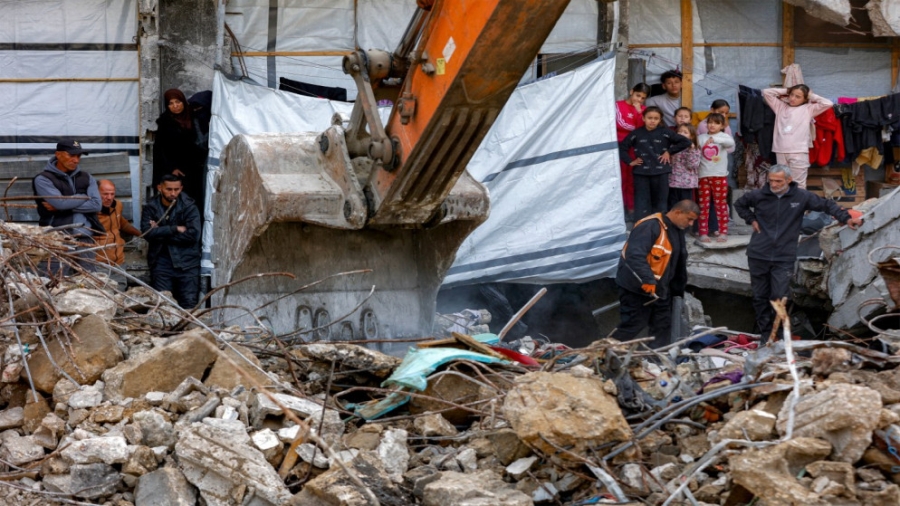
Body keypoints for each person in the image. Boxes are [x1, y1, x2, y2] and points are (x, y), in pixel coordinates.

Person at [734, 165, 862, 342]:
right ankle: (766, 336)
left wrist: (846, 218)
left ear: (789, 180)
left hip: (784, 256)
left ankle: (779, 335)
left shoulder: (801, 197)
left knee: (779, 297)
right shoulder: (758, 195)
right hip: (758, 254)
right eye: (771, 180)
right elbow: (739, 205)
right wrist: (751, 220)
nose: (774, 184)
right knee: (759, 297)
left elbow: (827, 205)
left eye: (778, 181)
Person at [612, 199, 700, 348]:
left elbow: (676, 262)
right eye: (689, 219)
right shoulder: (650, 226)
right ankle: (602, 353)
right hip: (638, 288)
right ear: (678, 212)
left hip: (661, 290)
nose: (691, 224)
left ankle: (655, 359)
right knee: (633, 324)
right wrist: (648, 279)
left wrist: (676, 290)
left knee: (662, 326)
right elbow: (635, 255)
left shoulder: (677, 230)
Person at [33, 140, 103, 273]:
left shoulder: (87, 177)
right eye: (71, 155)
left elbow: (96, 205)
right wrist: (83, 196)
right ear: (58, 155)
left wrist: (63, 206)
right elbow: (59, 203)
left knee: (89, 278)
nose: (76, 160)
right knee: (55, 278)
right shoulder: (43, 179)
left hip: (85, 237)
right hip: (57, 238)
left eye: (78, 156)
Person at [619, 106, 692, 220]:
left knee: (660, 203)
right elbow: (622, 148)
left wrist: (669, 152)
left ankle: (659, 227)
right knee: (641, 203)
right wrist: (630, 161)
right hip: (641, 173)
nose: (652, 121)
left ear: (660, 119)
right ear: (643, 118)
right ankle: (642, 227)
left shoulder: (666, 132)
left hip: (661, 173)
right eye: (650, 118)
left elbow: (685, 141)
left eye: (656, 118)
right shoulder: (636, 133)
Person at [141, 174, 202, 309]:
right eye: (169, 189)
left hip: (187, 263)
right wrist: (174, 229)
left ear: (181, 188)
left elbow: (193, 235)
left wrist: (160, 231)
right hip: (161, 263)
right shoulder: (151, 207)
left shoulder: (189, 207)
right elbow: (147, 233)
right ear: (160, 188)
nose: (173, 193)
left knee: (189, 304)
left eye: (176, 189)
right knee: (163, 305)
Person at [763, 85, 833, 189]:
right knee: (782, 183)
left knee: (798, 184)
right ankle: (785, 200)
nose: (792, 98)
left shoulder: (809, 109)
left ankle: (798, 201)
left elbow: (828, 103)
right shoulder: (780, 107)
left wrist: (811, 96)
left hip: (798, 152)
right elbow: (766, 92)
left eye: (798, 97)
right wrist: (787, 90)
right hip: (780, 150)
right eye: (791, 95)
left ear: (805, 99)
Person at [154, 88, 208, 217]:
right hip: (178, 172)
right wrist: (171, 168)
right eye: (171, 103)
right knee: (180, 202)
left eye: (178, 102)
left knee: (198, 201)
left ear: (183, 101)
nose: (175, 106)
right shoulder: (165, 122)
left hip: (196, 169)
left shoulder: (194, 117)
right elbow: (160, 150)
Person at [697, 113, 735, 243]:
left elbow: (731, 143)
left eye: (716, 123)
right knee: (703, 205)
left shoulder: (724, 137)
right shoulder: (700, 138)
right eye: (710, 122)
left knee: (721, 205)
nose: (712, 125)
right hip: (703, 175)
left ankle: (723, 232)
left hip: (719, 175)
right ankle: (703, 232)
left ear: (722, 125)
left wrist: (715, 140)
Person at [616, 83, 650, 217]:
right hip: (619, 147)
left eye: (643, 98)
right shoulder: (618, 105)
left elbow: (643, 129)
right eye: (637, 95)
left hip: (635, 148)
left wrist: (639, 113)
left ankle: (631, 208)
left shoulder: (643, 110)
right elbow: (620, 123)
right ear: (631, 91)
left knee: (631, 179)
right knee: (620, 178)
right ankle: (619, 209)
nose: (639, 100)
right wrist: (635, 127)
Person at [95, 180, 141, 266]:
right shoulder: (88, 212)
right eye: (105, 194)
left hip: (119, 261)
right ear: (95, 193)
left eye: (112, 194)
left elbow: (123, 223)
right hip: (99, 264)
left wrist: (142, 234)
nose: (109, 198)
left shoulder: (117, 205)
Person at [668, 124, 700, 210]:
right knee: (673, 207)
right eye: (680, 132)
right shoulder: (672, 147)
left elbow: (692, 165)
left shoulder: (694, 149)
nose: (681, 134)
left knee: (685, 208)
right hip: (672, 182)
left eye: (685, 132)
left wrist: (691, 150)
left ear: (691, 136)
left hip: (686, 184)